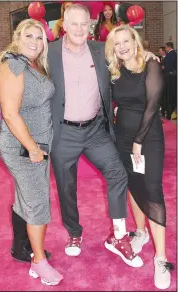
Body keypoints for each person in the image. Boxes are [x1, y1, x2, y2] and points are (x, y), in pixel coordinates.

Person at [48, 4, 157, 268]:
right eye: (74, 24)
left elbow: (127, 60)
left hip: (96, 130)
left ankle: (119, 236)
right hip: (63, 133)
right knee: (66, 187)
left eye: (84, 24)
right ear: (64, 25)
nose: (79, 29)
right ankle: (75, 233)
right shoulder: (49, 52)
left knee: (118, 174)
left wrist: (146, 56)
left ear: (90, 26)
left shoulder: (100, 51)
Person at [0, 19, 63, 285]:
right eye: (28, 35)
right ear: (17, 36)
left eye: (39, 37)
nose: (34, 41)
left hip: (36, 144)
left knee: (28, 199)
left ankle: (25, 249)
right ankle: (38, 262)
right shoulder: (13, 64)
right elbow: (9, 114)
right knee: (37, 203)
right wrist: (33, 148)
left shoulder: (32, 63)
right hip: (25, 146)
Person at [105, 24, 174, 290]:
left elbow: (152, 105)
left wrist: (138, 141)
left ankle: (161, 258)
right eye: (117, 43)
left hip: (148, 138)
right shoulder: (114, 69)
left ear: (135, 40)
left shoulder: (151, 65)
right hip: (121, 138)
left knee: (153, 191)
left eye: (126, 41)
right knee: (133, 186)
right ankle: (141, 232)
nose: (122, 46)